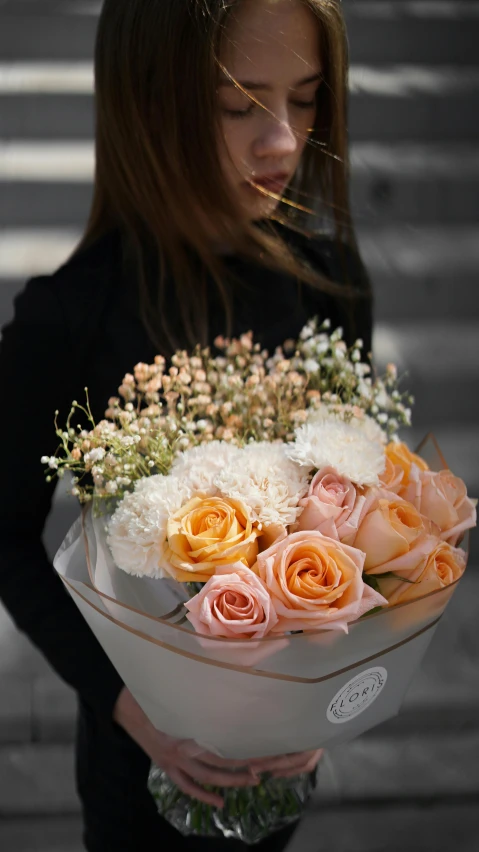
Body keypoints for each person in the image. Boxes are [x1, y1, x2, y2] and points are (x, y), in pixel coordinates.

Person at [0, 0, 373, 849]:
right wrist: (137, 710)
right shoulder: (70, 318)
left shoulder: (330, 284)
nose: (281, 140)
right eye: (237, 104)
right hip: (140, 776)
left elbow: (361, 515)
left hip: (284, 767)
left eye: (306, 98)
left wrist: (322, 694)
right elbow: (7, 536)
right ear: (147, 97)